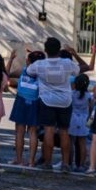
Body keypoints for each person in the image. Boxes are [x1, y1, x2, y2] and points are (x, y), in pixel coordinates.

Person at [26, 37, 80, 172]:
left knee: (48, 130)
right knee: (64, 131)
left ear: (45, 50)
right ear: (59, 49)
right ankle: (65, 164)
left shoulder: (40, 65)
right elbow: (78, 70)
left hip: (47, 100)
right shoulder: (67, 63)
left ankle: (48, 162)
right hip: (65, 101)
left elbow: (28, 71)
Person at [8, 50, 45, 167]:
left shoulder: (24, 70)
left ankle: (19, 159)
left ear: (29, 62)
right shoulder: (42, 75)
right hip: (35, 102)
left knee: (19, 132)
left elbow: (7, 73)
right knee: (33, 132)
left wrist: (11, 59)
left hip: (21, 100)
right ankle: (31, 161)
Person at [68, 74, 92, 171]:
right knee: (82, 143)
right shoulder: (88, 96)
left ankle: (69, 163)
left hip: (72, 118)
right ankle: (81, 165)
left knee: (71, 142)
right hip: (84, 119)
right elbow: (90, 109)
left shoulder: (72, 93)